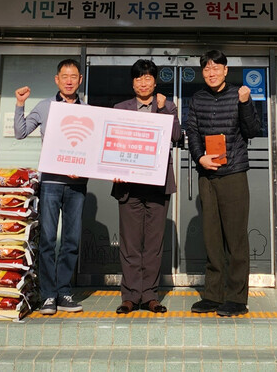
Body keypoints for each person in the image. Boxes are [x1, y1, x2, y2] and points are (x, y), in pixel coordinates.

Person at [185, 50, 262, 317]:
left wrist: (245, 102)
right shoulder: (197, 99)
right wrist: (200, 158)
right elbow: (192, 132)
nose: (211, 73)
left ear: (225, 70)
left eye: (216, 68)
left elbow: (252, 130)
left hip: (233, 174)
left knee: (236, 238)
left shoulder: (238, 95)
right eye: (207, 69)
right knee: (212, 238)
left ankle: (237, 298)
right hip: (207, 175)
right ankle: (213, 295)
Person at [14, 58, 87, 315]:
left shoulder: (88, 110)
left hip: (77, 185)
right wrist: (20, 104)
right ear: (57, 79)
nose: (69, 80)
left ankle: (64, 292)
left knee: (71, 240)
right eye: (64, 76)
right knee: (46, 240)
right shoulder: (46, 106)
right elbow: (20, 132)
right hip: (51, 183)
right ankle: (48, 295)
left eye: (74, 76)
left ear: (80, 80)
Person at [112, 59, 182, 314]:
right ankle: (130, 296)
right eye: (138, 78)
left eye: (148, 78)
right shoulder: (120, 108)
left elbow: (176, 137)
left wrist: (163, 110)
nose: (143, 82)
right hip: (129, 186)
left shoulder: (168, 106)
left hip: (157, 185)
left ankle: (150, 295)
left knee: (153, 245)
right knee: (130, 244)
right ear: (133, 83)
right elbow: (112, 144)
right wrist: (114, 170)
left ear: (155, 81)